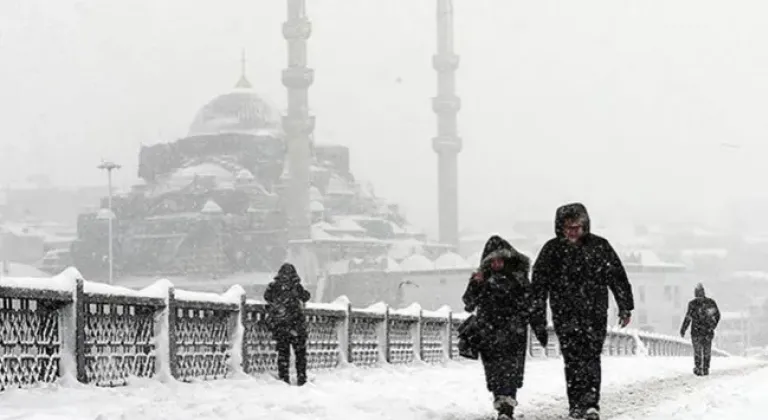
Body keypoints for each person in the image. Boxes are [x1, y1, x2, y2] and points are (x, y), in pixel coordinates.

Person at [531, 203, 634, 420]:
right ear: (561, 227)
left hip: (594, 313)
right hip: (564, 313)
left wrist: (625, 306)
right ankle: (576, 403)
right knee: (572, 358)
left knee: (591, 357)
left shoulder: (599, 247)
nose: (573, 232)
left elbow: (617, 276)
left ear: (584, 226)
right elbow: (538, 286)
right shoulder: (552, 251)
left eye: (577, 227)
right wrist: (537, 315)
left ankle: (590, 403)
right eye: (569, 227)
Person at [461, 235, 547, 420]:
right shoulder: (482, 279)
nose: (497, 263)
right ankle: (501, 402)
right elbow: (468, 303)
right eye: (493, 260)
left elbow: (531, 304)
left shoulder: (518, 279)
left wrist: (539, 328)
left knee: (510, 370)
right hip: (489, 331)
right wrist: (476, 283)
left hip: (513, 332)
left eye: (500, 259)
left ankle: (506, 406)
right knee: (494, 371)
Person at [263, 262, 312, 386]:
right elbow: (306, 297)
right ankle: (301, 378)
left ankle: (284, 378)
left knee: (283, 354)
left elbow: (267, 297)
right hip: (297, 325)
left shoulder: (274, 286)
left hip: (281, 326)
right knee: (300, 354)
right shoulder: (296, 286)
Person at [680, 283, 720, 376]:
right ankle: (703, 368)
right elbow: (717, 315)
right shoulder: (710, 303)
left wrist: (683, 329)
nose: (699, 297)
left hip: (698, 331)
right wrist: (712, 325)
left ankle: (700, 368)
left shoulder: (693, 304)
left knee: (700, 351)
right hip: (706, 331)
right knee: (705, 350)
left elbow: (688, 318)